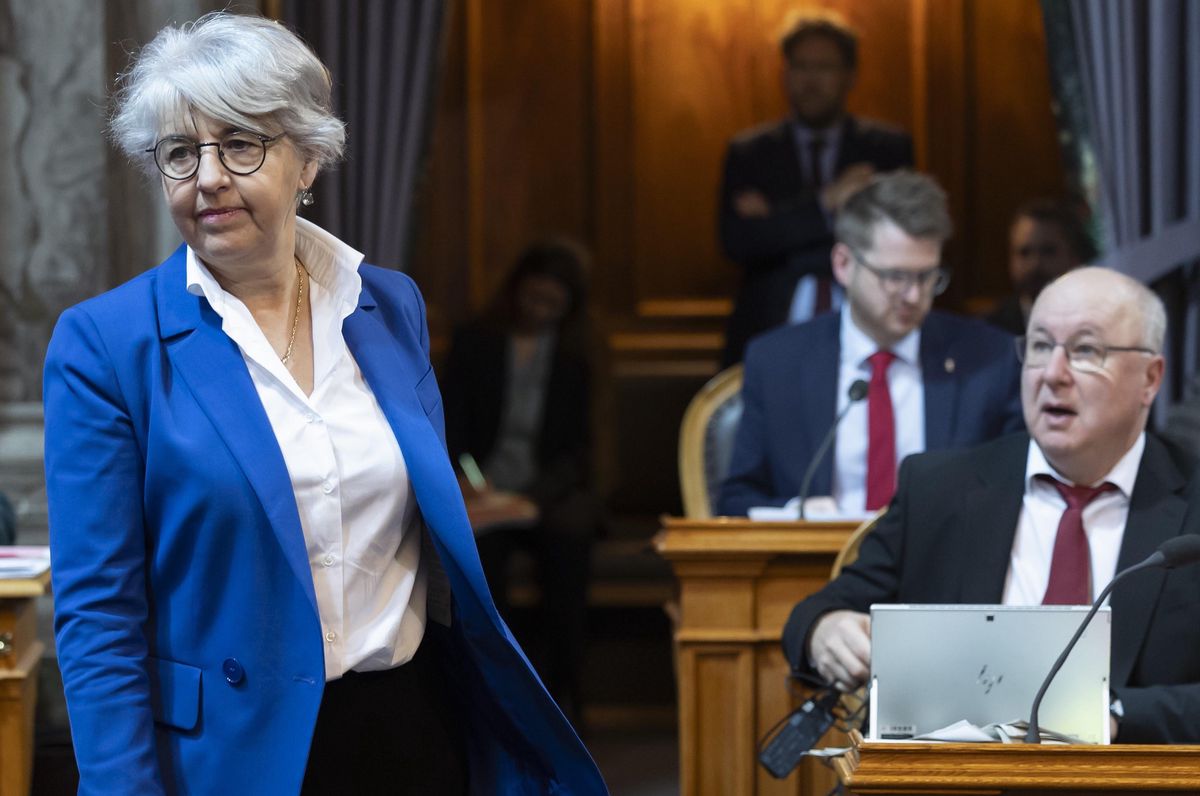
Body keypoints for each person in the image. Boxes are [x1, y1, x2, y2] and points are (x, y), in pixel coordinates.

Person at [42, 13, 605, 794]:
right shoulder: (105, 345)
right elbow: (99, 617)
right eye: (179, 153)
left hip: (413, 727)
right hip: (230, 758)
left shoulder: (389, 306)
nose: (208, 177)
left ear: (308, 158)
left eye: (241, 143)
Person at [786, 267, 1200, 743]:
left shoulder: (1191, 509)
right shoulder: (940, 488)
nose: (1053, 374)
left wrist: (1114, 714)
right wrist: (825, 628)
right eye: (1040, 346)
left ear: (1150, 378)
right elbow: (819, 612)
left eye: (1086, 351)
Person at [718, 171, 1023, 517]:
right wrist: (797, 515)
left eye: (927, 277)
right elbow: (735, 502)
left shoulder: (989, 358)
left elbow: (1016, 490)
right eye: (895, 277)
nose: (914, 296)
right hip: (817, 564)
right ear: (843, 264)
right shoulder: (777, 362)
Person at [441, 239, 602, 720]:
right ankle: (498, 695)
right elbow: (453, 425)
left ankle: (562, 700)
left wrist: (532, 499)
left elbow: (580, 450)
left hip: (550, 496)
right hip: (483, 489)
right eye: (532, 298)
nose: (539, 310)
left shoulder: (580, 354)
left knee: (569, 555)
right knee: (477, 562)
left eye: (552, 304)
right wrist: (472, 480)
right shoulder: (477, 342)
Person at [719, 11, 914, 366]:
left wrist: (778, 222)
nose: (811, 80)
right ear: (785, 73)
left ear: (850, 76)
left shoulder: (886, 151)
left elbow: (894, 244)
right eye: (800, 67)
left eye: (824, 67)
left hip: (866, 330)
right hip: (769, 332)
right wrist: (829, 203)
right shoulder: (750, 153)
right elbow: (739, 243)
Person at [987, 197, 1096, 335]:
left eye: (1048, 251)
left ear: (1073, 258)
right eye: (1024, 253)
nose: (1035, 265)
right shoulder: (990, 331)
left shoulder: (1094, 326)